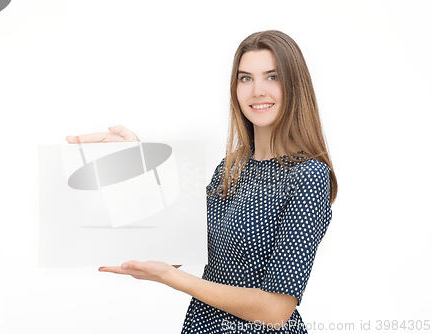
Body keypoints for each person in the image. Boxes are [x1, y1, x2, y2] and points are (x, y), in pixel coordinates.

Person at [66, 30, 338, 334]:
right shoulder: (231, 166)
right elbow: (182, 247)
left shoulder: (308, 176)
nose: (257, 90)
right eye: (246, 78)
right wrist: (136, 162)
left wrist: (173, 279)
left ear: (295, 87)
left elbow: (275, 311)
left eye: (272, 77)